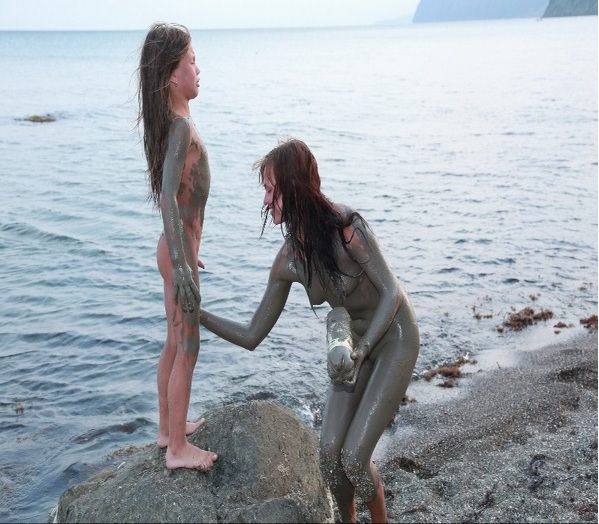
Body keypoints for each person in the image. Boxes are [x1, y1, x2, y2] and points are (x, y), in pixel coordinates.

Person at [200, 138, 419, 521]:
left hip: (393, 337)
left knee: (354, 456)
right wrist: (198, 315)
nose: (266, 201)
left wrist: (363, 349)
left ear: (296, 186)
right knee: (330, 456)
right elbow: (252, 335)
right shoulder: (288, 260)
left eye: (271, 189)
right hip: (351, 346)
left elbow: (390, 294)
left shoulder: (349, 230)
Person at [137, 22, 217, 471]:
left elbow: (180, 197)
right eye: (190, 60)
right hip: (176, 253)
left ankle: (169, 428)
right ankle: (176, 452)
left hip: (175, 248)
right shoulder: (181, 126)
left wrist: (186, 253)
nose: (198, 68)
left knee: (173, 342)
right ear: (171, 73)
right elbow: (168, 195)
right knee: (188, 347)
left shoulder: (173, 122)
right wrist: (184, 267)